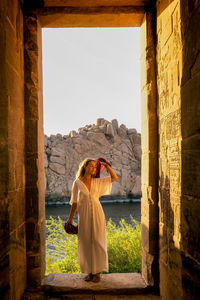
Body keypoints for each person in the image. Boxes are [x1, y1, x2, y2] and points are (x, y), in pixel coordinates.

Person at [65, 157, 118, 283]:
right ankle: (89, 272)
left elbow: (114, 178)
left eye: (95, 166)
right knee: (85, 243)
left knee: (98, 241)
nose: (93, 168)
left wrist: (106, 166)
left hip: (98, 214)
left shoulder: (97, 182)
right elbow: (74, 203)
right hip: (83, 216)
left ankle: (97, 272)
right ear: (85, 167)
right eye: (91, 166)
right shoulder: (77, 183)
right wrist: (70, 219)